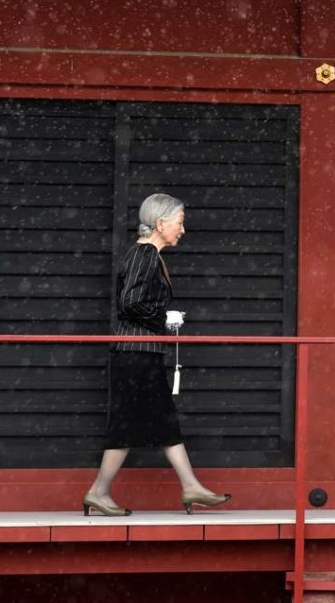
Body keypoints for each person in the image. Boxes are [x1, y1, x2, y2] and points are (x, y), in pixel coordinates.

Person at [83, 193, 231, 516]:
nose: (182, 229)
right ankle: (102, 490)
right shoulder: (145, 254)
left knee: (152, 420)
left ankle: (185, 485)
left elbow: (133, 302)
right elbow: (129, 303)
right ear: (160, 223)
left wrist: (162, 317)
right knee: (141, 421)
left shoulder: (146, 255)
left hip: (138, 352)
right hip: (136, 352)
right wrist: (163, 317)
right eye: (179, 222)